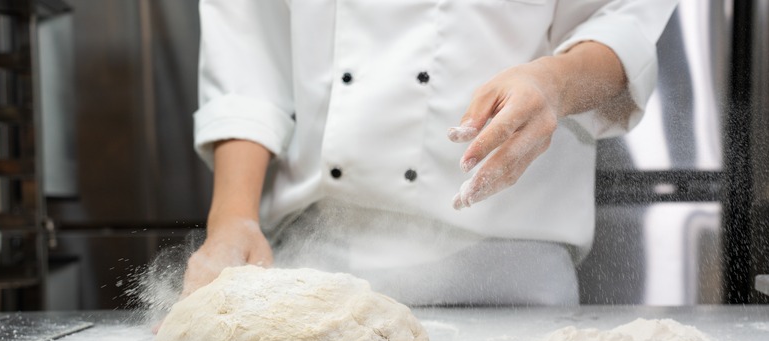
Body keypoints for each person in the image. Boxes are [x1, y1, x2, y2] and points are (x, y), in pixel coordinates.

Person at [183, 0, 679, 306]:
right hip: (315, 272)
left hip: (513, 280)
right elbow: (247, 60)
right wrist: (232, 220)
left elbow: (619, 21)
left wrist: (555, 83)